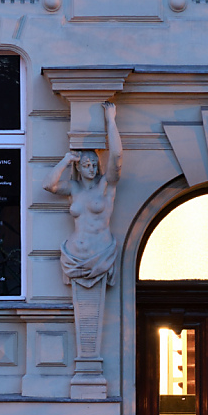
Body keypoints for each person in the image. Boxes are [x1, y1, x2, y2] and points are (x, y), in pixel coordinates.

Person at [43, 101, 122, 289]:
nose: (92, 168)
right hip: (73, 255)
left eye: (94, 164)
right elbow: (48, 185)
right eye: (86, 165)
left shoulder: (106, 184)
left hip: (100, 254)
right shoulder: (74, 188)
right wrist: (66, 160)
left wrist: (111, 120)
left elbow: (116, 156)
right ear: (78, 167)